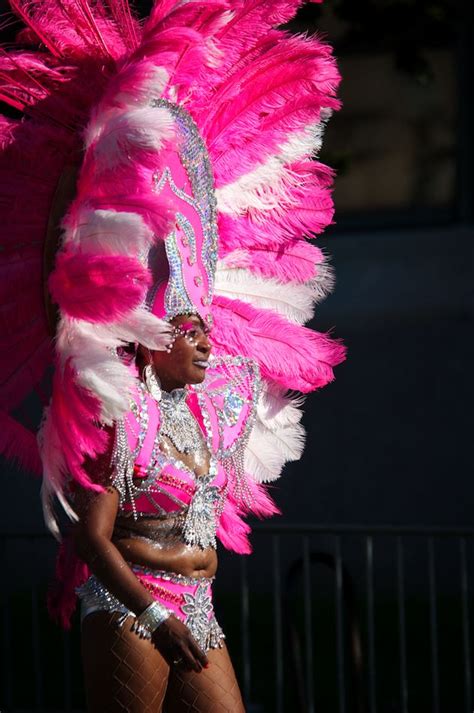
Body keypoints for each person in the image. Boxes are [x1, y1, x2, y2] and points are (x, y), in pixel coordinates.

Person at [0, 0, 346, 710]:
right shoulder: (117, 410)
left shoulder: (215, 410)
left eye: (203, 328)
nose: (205, 339)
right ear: (149, 342)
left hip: (201, 604)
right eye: (187, 331)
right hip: (132, 604)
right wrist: (153, 616)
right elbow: (94, 538)